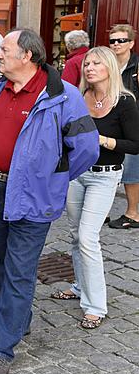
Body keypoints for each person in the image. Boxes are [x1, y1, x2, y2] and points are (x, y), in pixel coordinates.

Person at [0, 29, 99, 374]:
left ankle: (2, 348)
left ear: (27, 55)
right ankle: (18, 319)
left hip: (33, 198)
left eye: (6, 49)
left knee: (18, 270)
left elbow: (87, 149)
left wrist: (50, 179)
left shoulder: (63, 97)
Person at [51, 46, 139, 329]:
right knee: (76, 235)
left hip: (105, 176)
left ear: (109, 67)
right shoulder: (78, 97)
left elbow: (135, 144)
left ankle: (95, 305)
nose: (89, 68)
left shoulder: (124, 102)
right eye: (87, 63)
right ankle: (79, 286)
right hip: (77, 175)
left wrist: (102, 141)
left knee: (89, 237)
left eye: (96, 63)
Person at [107, 24, 139, 229]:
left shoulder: (136, 67)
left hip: (132, 123)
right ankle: (102, 211)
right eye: (113, 41)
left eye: (121, 40)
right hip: (111, 121)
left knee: (131, 170)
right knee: (109, 168)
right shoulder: (107, 63)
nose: (117, 44)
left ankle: (133, 213)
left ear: (131, 43)